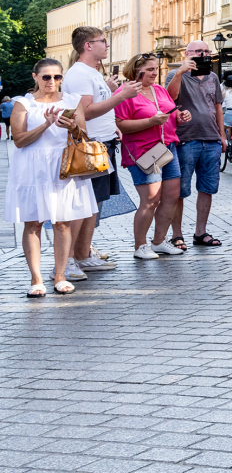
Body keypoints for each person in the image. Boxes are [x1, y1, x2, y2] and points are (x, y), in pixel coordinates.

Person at [4, 58, 97, 297]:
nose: (52, 82)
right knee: (33, 223)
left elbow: (83, 134)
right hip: (32, 168)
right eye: (46, 77)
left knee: (63, 222)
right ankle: (36, 279)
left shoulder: (72, 101)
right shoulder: (23, 103)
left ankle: (60, 275)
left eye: (57, 77)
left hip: (62, 166)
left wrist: (71, 127)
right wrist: (45, 125)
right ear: (35, 77)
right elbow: (20, 140)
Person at [63, 26, 142, 274]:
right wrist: (121, 95)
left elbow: (98, 107)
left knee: (94, 202)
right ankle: (68, 260)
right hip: (90, 145)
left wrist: (112, 128)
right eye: (103, 41)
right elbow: (83, 111)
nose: (107, 45)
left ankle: (83, 255)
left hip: (103, 140)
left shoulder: (92, 73)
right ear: (88, 45)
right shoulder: (79, 74)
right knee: (84, 204)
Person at [115, 53, 193, 260]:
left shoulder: (159, 90)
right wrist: (150, 122)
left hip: (167, 147)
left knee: (171, 197)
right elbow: (121, 124)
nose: (154, 72)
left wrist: (180, 116)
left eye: (156, 68)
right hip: (144, 151)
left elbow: (171, 111)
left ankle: (159, 241)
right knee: (150, 199)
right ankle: (140, 245)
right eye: (150, 69)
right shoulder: (127, 92)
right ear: (136, 70)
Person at [165, 40, 226, 250]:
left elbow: (217, 106)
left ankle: (201, 232)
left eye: (207, 51)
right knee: (179, 190)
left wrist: (223, 136)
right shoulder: (175, 74)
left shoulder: (213, 76)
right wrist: (181, 71)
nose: (204, 54)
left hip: (211, 139)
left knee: (207, 188)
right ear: (187, 53)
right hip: (185, 139)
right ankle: (177, 234)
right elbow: (170, 98)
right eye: (199, 51)